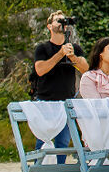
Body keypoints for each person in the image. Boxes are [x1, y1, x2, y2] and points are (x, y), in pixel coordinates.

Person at [30, 10, 88, 161]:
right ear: (49, 26)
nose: (61, 23)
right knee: (43, 139)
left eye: (64, 20)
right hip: (46, 101)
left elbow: (86, 70)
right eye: (58, 20)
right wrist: (60, 55)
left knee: (62, 142)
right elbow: (40, 70)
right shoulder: (42, 48)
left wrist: (72, 56)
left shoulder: (74, 48)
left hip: (66, 102)